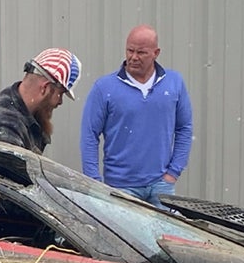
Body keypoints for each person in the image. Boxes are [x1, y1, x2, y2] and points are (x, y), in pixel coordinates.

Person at [79, 25, 193, 210]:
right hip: (121, 187)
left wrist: (174, 171)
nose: (133, 57)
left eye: (141, 52)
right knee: (119, 238)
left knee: (163, 236)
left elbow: (184, 129)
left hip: (161, 186)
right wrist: (94, 181)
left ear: (156, 53)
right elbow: (89, 135)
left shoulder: (174, 84)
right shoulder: (105, 88)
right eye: (130, 50)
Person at [0, 47, 80, 154]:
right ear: (45, 88)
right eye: (61, 94)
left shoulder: (24, 115)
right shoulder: (5, 124)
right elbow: (8, 176)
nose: (60, 102)